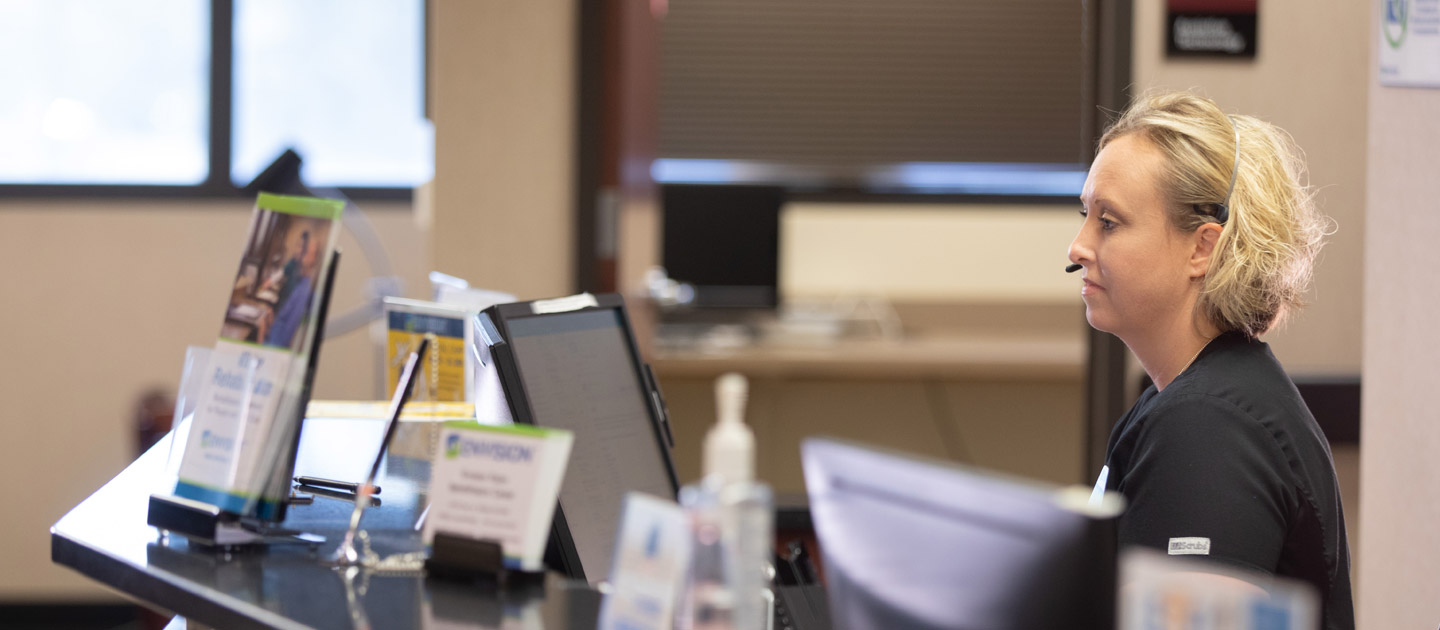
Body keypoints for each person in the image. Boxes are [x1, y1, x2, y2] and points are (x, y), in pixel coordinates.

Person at [1068, 91, 1353, 629]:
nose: (1077, 247)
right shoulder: (1189, 397)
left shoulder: (1209, 425)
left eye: (1109, 222)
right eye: (1086, 215)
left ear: (1202, 248)